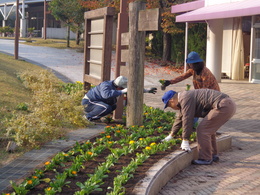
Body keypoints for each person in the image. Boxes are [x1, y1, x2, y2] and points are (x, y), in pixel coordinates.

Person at [161, 89, 236, 165]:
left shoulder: (185, 98)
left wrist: (185, 140)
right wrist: (171, 135)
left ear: (172, 100)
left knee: (202, 130)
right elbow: (180, 118)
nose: (172, 108)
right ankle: (213, 155)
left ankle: (205, 158)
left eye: (169, 105)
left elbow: (187, 119)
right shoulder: (184, 98)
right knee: (208, 130)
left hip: (223, 106)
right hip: (227, 104)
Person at [82, 76, 157, 121]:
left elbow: (131, 89)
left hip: (96, 102)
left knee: (113, 106)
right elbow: (106, 95)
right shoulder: (106, 85)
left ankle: (94, 117)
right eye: (121, 88)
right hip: (88, 102)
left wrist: (146, 90)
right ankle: (87, 117)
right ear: (118, 87)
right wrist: (121, 92)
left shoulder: (115, 85)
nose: (123, 89)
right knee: (106, 107)